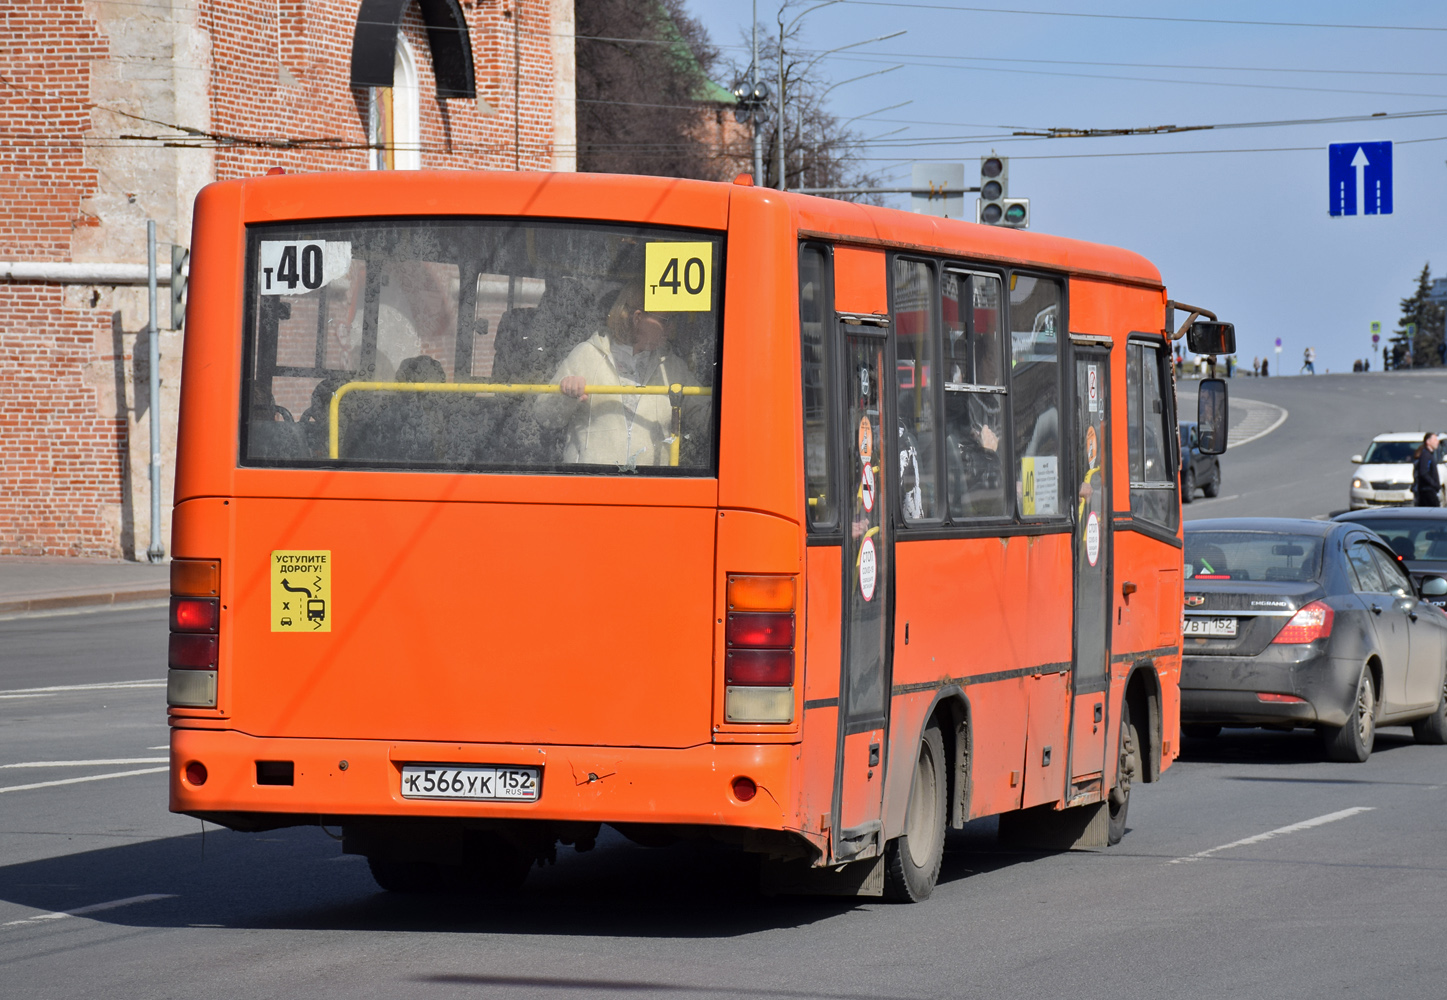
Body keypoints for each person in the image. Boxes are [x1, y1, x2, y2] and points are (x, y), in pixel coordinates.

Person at [534, 280, 698, 468]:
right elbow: (545, 416)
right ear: (638, 318)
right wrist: (566, 396)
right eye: (666, 321)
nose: (672, 329)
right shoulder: (587, 354)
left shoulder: (671, 366)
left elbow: (705, 414)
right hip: (591, 483)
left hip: (652, 485)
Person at [1414, 432, 1442, 507]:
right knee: (1434, 512)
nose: (1437, 442)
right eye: (1435, 439)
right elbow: (1423, 472)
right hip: (1427, 491)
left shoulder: (1429, 455)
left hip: (1429, 490)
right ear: (1428, 442)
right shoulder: (1425, 455)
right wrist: (1434, 484)